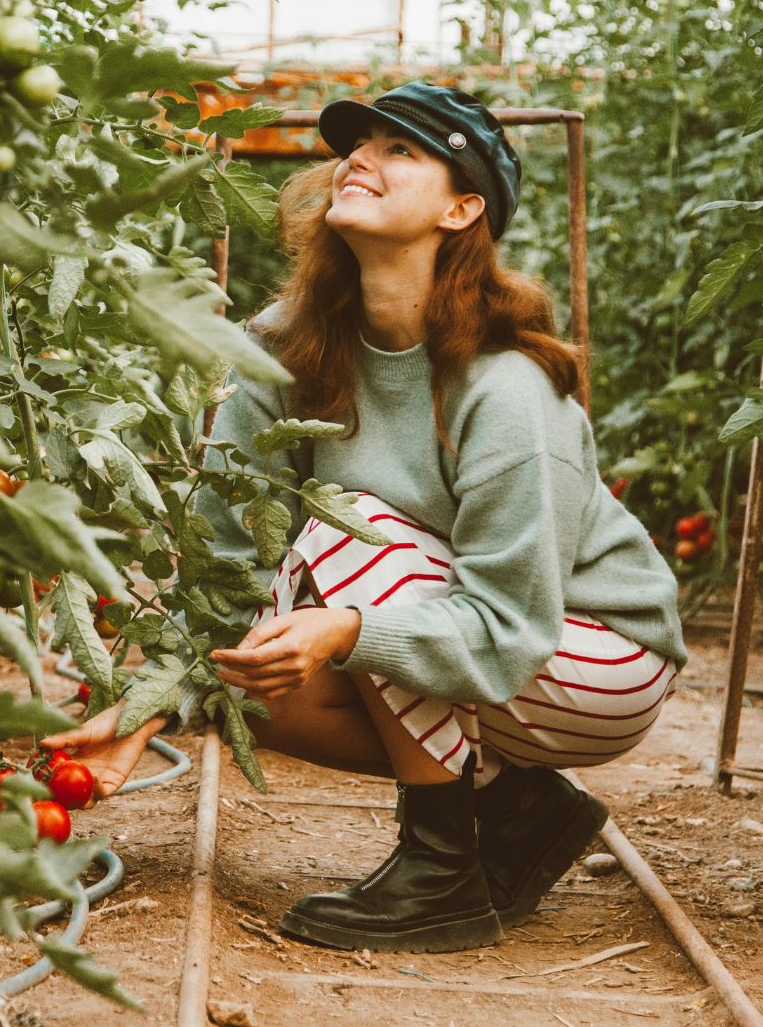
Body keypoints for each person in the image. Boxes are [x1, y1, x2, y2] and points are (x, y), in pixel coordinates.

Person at [41, 81, 688, 954]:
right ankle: (515, 810)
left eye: (401, 151)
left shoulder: (506, 391)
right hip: (459, 628)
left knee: (343, 531)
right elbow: (226, 562)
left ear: (462, 209)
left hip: (591, 658)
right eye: (357, 145)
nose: (360, 159)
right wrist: (148, 707)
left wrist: (345, 628)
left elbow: (508, 628)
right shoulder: (285, 350)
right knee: (251, 672)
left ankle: (440, 871)